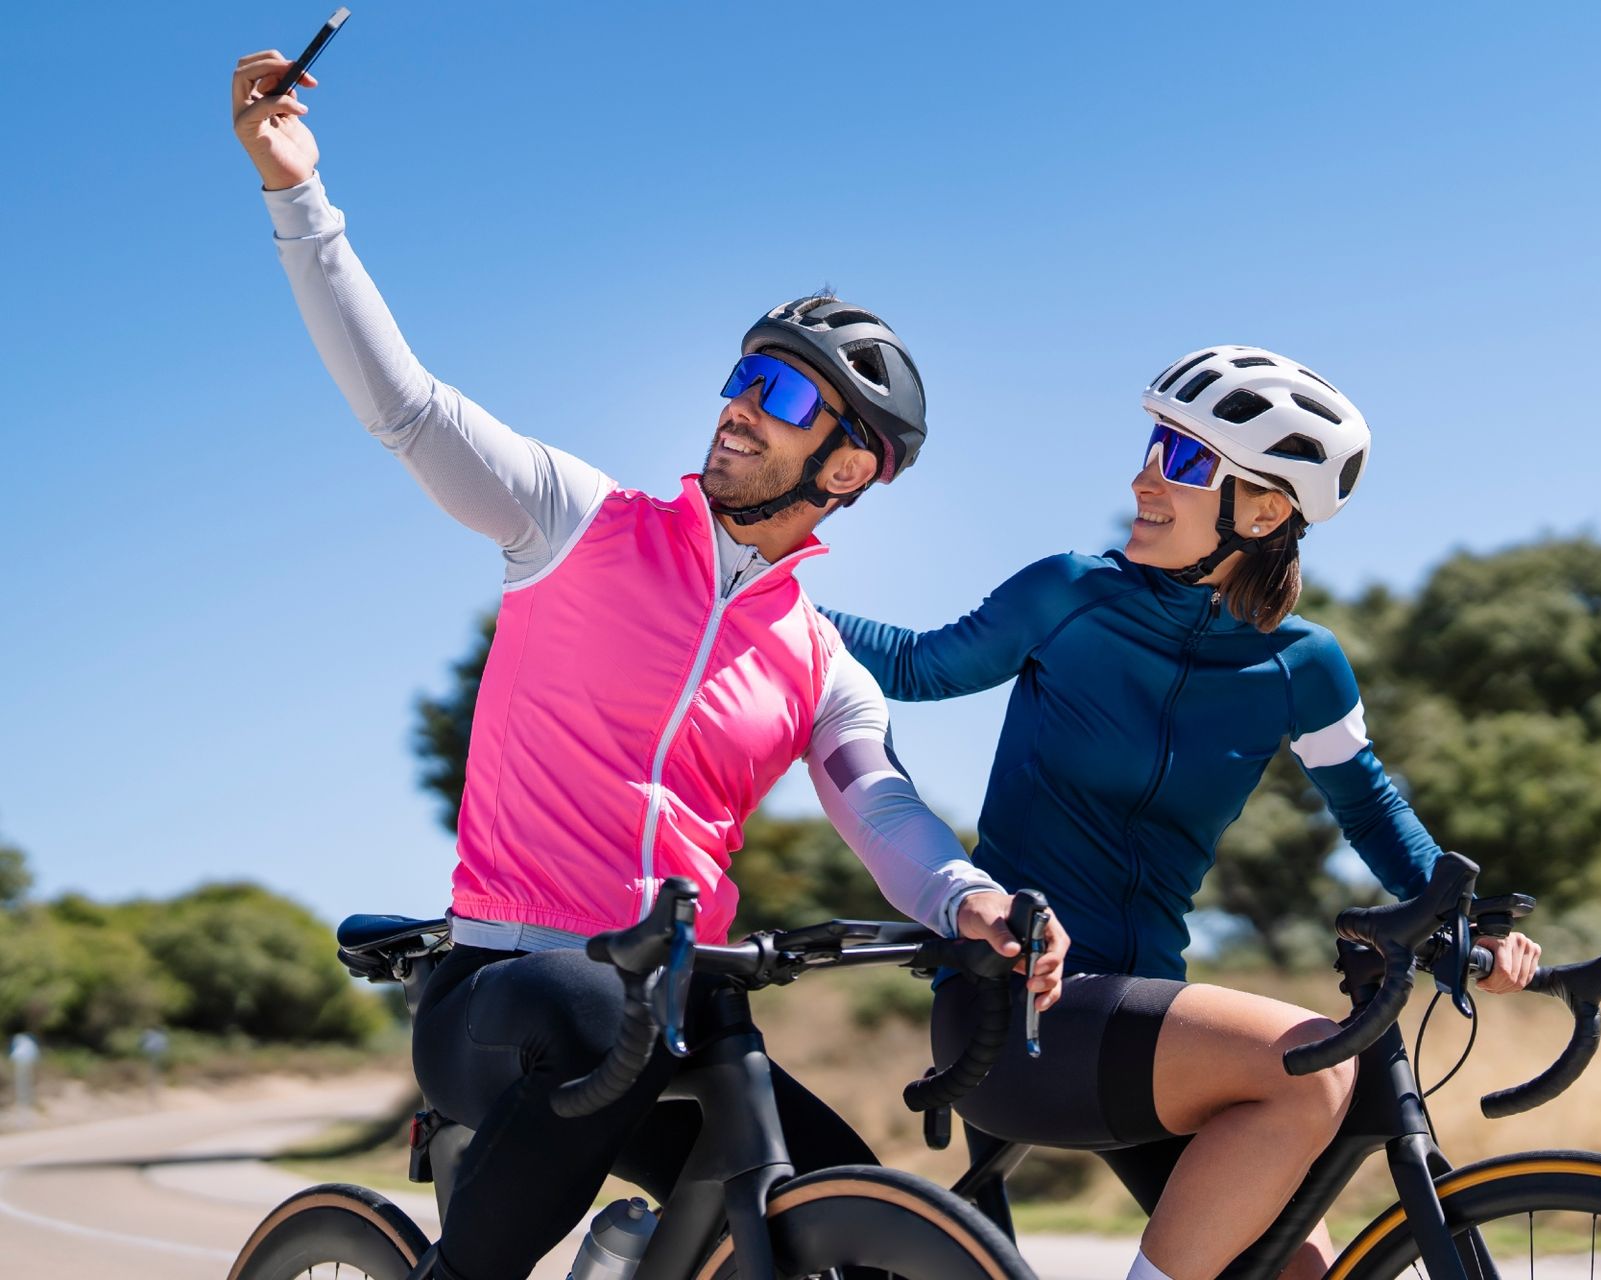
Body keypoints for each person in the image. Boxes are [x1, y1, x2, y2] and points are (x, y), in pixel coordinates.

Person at [229, 49, 1066, 1280]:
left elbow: (883, 805)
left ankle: (635, 1254)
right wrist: (298, 196)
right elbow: (402, 405)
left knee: (864, 1220)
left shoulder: (818, 658)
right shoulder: (576, 523)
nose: (738, 402)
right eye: (743, 372)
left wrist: (970, 898)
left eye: (781, 390)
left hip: (677, 1004)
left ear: (846, 466)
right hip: (508, 988)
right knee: (595, 1006)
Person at [827, 347, 1542, 1280]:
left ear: (1265, 509)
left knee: (1298, 1274)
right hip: (1019, 1013)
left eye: (1186, 461)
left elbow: (1372, 814)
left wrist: (1471, 931)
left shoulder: (1304, 665)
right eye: (1155, 447)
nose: (1145, 480)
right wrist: (753, 603)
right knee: (1313, 1067)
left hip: (1151, 1030)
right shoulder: (1072, 594)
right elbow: (919, 665)